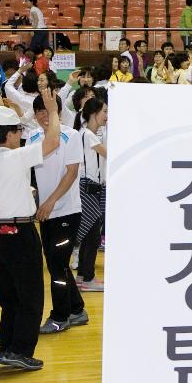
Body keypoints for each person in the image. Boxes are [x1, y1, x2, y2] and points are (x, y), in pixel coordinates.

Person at [0, 91, 62, 371]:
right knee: (29, 295)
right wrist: (52, 111)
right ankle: (21, 350)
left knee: (9, 295)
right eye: (18, 131)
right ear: (12, 134)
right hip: (18, 231)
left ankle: (7, 346)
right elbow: (52, 142)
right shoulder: (14, 158)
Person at [30, 93, 87, 334]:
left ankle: (60, 316)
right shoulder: (32, 137)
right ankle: (77, 309)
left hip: (66, 211)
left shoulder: (71, 135)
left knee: (56, 265)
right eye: (39, 111)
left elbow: (72, 173)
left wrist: (51, 202)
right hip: (44, 213)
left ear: (58, 111)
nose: (44, 115)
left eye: (48, 110)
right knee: (58, 264)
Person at [74, 99, 108, 293]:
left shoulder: (88, 134)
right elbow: (109, 153)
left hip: (92, 188)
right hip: (88, 187)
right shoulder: (88, 134)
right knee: (93, 233)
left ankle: (83, 276)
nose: (106, 115)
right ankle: (87, 277)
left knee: (90, 233)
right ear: (94, 112)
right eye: (104, 111)